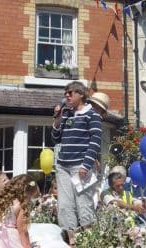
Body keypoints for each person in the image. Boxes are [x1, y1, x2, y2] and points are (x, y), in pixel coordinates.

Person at [51, 81, 102, 231]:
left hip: (80, 166)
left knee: (84, 204)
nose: (67, 95)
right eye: (65, 93)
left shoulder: (92, 115)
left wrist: (86, 165)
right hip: (63, 166)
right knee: (65, 206)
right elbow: (55, 139)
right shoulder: (67, 114)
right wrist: (57, 118)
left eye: (70, 92)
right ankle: (70, 240)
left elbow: (95, 141)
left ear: (81, 94)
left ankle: (90, 239)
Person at [0, 174, 40, 248]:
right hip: (8, 238)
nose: (29, 200)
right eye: (30, 197)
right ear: (26, 193)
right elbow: (22, 232)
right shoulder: (21, 206)